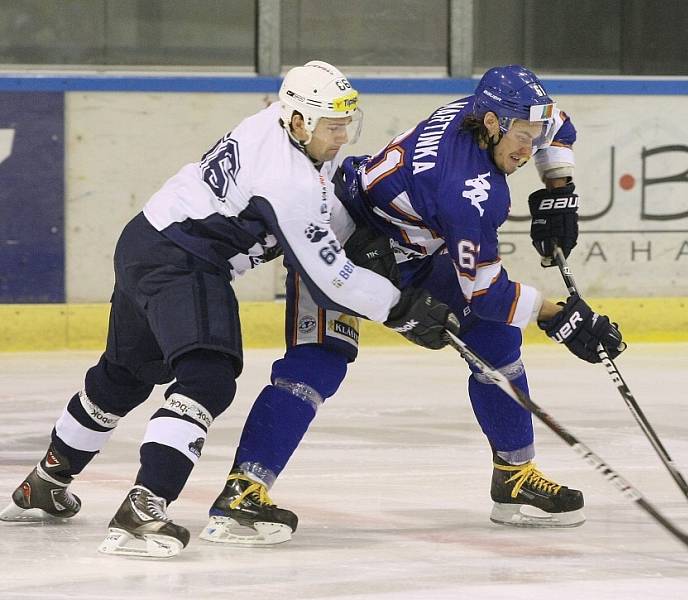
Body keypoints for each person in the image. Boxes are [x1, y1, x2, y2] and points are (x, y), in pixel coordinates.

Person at [0, 60, 457, 558]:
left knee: (125, 374)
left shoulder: (274, 123)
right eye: (333, 125)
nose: (343, 136)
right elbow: (330, 280)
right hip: (185, 259)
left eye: (349, 123)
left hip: (143, 240)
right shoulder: (286, 179)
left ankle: (45, 481)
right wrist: (400, 308)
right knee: (208, 376)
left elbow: (325, 200)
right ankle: (142, 509)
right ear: (300, 121)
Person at [200, 64, 625, 546]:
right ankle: (242, 492)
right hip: (338, 238)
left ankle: (514, 477)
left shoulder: (484, 112)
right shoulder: (467, 190)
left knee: (495, 338)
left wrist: (559, 191)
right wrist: (561, 317)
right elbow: (485, 292)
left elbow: (559, 126)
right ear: (491, 123)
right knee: (318, 363)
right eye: (521, 139)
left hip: (411, 250)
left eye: (533, 136)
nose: (529, 150)